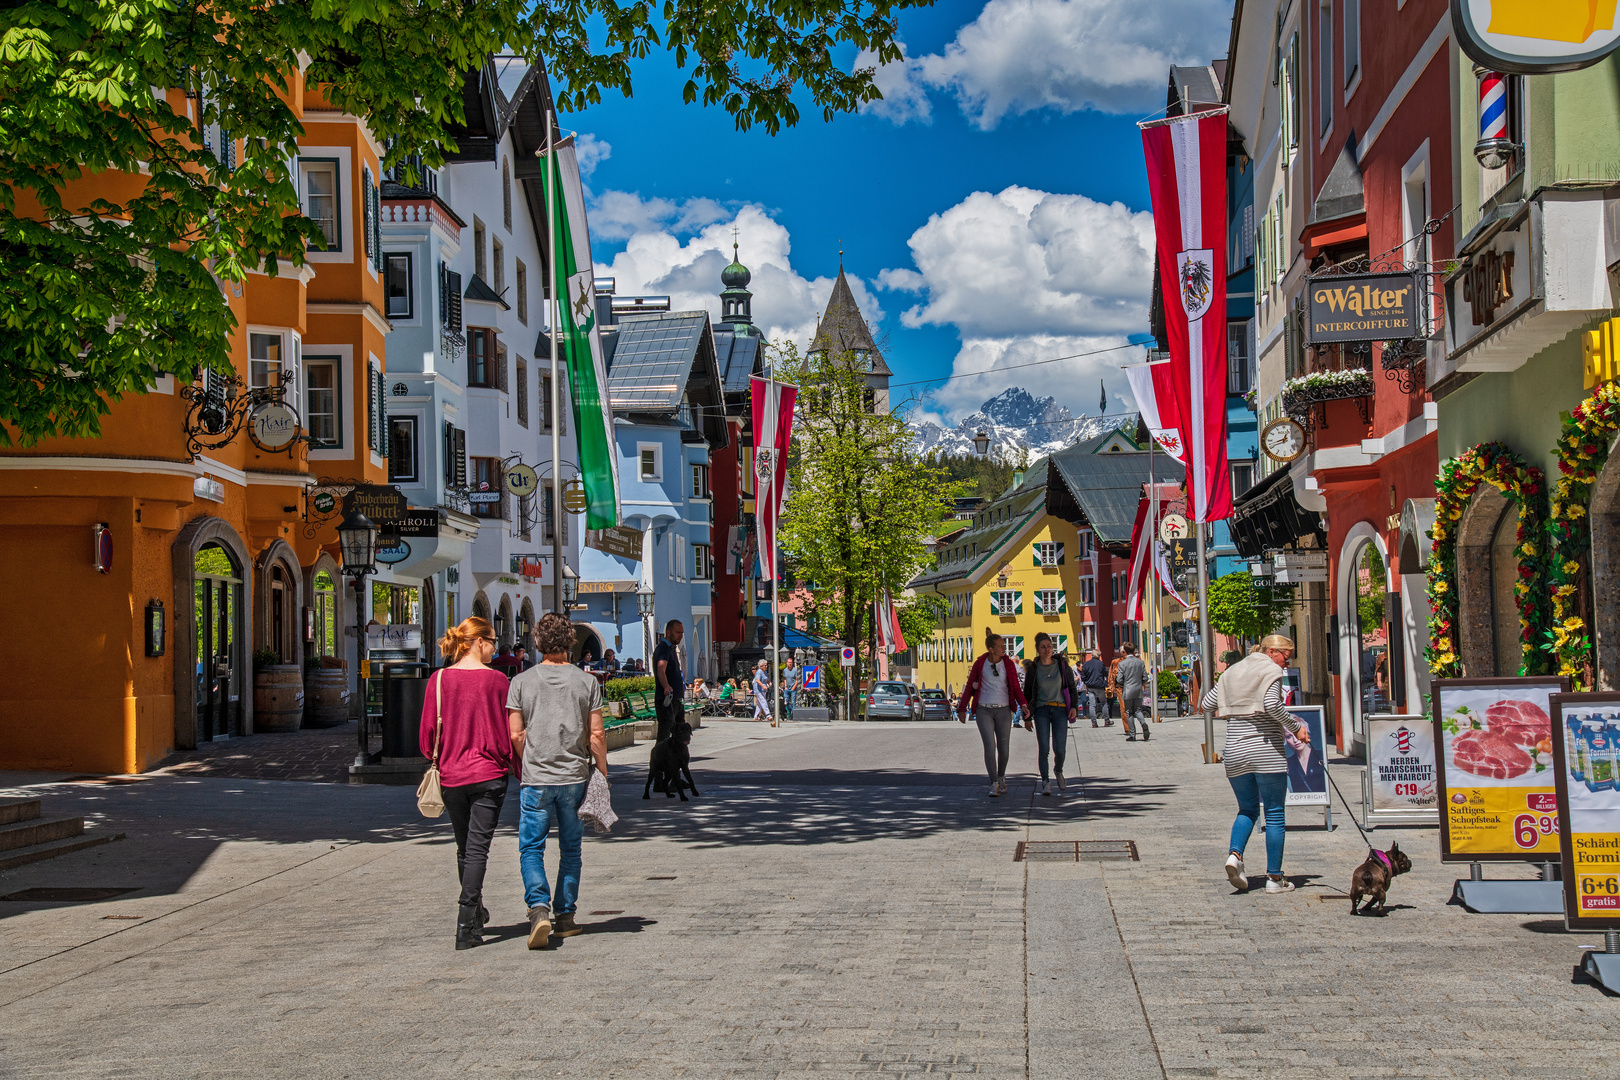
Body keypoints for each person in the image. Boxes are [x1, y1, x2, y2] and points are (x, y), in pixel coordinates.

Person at [507, 612, 608, 948]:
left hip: (536, 777)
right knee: (571, 849)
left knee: (531, 848)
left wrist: (532, 760)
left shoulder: (521, 682)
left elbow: (516, 734)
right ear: (570, 642)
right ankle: (565, 916)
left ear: (537, 643)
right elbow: (596, 735)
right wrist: (602, 774)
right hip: (574, 777)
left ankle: (538, 910)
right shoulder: (586, 682)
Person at [419, 616, 515, 951]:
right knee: (477, 849)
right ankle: (465, 923)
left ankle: (474, 914)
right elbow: (508, 732)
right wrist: (512, 764)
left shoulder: (439, 679)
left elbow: (427, 735)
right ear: (478, 641)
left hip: (452, 775)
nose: (495, 645)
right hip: (489, 773)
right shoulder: (498, 681)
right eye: (492, 639)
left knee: (465, 848)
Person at [1203, 633, 1309, 894]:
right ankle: (1274, 878)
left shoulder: (1232, 671)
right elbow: (1273, 704)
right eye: (1287, 655)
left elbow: (1206, 704)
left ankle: (1235, 856)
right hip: (1265, 752)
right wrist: (1296, 728)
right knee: (1274, 813)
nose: (1287, 662)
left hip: (1235, 751)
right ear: (1272, 651)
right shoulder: (1270, 669)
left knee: (1247, 810)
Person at [956, 629, 1031, 798]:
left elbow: (1016, 688)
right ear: (991, 649)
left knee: (1003, 748)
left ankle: (1001, 776)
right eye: (1001, 646)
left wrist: (1024, 705)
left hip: (1004, 710)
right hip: (984, 709)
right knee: (990, 746)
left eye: (1004, 646)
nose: (1004, 649)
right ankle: (994, 783)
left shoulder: (1008, 664)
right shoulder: (980, 663)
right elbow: (969, 686)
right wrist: (962, 708)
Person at [1021, 633, 1078, 795]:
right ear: (1037, 649)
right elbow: (1028, 694)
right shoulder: (1033, 669)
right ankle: (1045, 781)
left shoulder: (1061, 665)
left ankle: (1058, 770)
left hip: (1060, 709)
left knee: (1060, 749)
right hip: (1041, 711)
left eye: (1049, 646)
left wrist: (1073, 705)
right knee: (1044, 748)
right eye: (1043, 647)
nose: (1047, 650)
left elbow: (1071, 686)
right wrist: (1027, 717)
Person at [652, 621, 685, 742]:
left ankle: (676, 758)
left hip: (675, 699)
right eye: (677, 632)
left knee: (679, 731)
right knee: (665, 732)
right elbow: (661, 669)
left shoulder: (671, 649)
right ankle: (659, 759)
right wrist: (666, 686)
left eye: (681, 632)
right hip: (667, 699)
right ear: (668, 632)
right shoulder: (663, 649)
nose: (680, 635)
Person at [1117, 644, 1149, 741]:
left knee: (1129, 712)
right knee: (1138, 710)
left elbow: (1119, 679)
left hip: (1128, 690)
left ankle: (1133, 735)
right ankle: (1143, 723)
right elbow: (1145, 678)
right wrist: (1139, 683)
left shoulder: (1122, 664)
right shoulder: (1140, 662)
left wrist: (1125, 684)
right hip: (1138, 689)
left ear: (1125, 651)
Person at [1079, 650, 1109, 727]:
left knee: (1092, 704)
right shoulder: (1101, 664)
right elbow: (1105, 673)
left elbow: (1083, 676)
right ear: (1099, 656)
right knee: (1104, 703)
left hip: (1090, 686)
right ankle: (1106, 720)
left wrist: (1086, 682)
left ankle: (1094, 722)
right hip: (1099, 686)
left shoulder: (1086, 664)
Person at [781, 656, 799, 721]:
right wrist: (785, 686)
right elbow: (785, 678)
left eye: (791, 662)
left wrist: (793, 688)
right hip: (787, 689)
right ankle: (792, 711)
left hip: (793, 689)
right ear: (787, 663)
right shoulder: (785, 670)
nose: (790, 664)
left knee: (793, 702)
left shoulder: (795, 670)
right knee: (786, 702)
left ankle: (793, 715)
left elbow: (797, 679)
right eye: (789, 662)